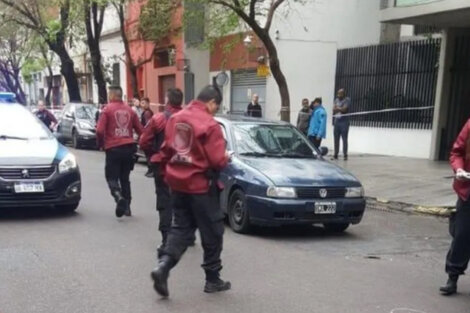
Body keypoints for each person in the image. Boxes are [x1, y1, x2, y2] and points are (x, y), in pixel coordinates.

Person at [151, 85, 231, 297]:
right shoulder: (210, 125)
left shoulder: (176, 118)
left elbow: (166, 150)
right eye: (216, 106)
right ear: (212, 102)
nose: (215, 110)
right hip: (201, 186)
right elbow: (216, 160)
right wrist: (226, 158)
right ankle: (212, 279)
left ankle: (163, 266)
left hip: (177, 184)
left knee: (181, 229)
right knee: (213, 231)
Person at [139, 88, 192, 256]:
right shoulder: (189, 119)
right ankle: (187, 235)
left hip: (163, 166)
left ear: (167, 100)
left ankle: (166, 240)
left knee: (164, 202)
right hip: (184, 167)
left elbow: (143, 141)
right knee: (184, 201)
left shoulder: (158, 118)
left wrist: (153, 155)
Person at [96, 86, 143, 218]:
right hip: (129, 148)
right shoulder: (130, 111)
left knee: (111, 177)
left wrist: (100, 144)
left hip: (113, 148)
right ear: (121, 95)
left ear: (111, 96)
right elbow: (141, 130)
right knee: (125, 178)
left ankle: (118, 196)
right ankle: (127, 207)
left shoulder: (107, 110)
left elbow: (99, 130)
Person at [440, 119, 470, 296]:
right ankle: (453, 276)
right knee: (462, 235)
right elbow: (456, 152)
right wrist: (459, 170)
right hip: (468, 192)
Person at [333, 88, 350, 161]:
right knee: (336, 138)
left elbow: (344, 110)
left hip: (344, 122)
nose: (338, 95)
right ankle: (335, 154)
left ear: (343, 94)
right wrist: (339, 108)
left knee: (344, 138)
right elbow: (333, 110)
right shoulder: (336, 100)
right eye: (338, 93)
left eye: (340, 93)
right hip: (337, 121)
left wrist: (338, 108)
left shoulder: (347, 100)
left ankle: (345, 154)